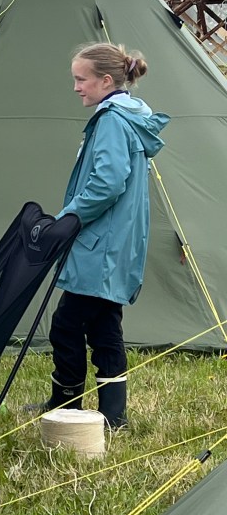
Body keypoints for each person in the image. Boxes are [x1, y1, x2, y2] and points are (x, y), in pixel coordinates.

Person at [32, 43, 168, 428]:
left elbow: (107, 183)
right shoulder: (126, 116)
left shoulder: (111, 120)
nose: (76, 87)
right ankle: (112, 414)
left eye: (81, 79)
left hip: (102, 245)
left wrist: (67, 218)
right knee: (104, 324)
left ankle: (67, 401)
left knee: (67, 323)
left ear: (106, 81)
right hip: (117, 242)